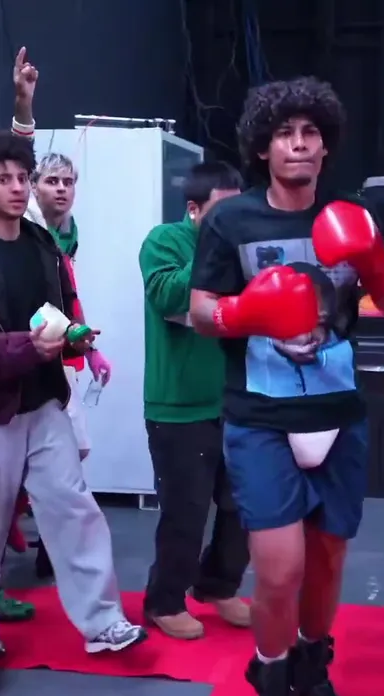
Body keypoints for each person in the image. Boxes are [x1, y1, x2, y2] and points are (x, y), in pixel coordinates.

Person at [187, 77, 384, 696]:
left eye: (310, 132)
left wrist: (375, 264)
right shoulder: (231, 219)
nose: (299, 144)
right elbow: (200, 312)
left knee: (329, 561)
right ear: (263, 147)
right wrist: (250, 311)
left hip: (338, 412)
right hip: (261, 417)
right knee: (280, 569)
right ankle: (272, 676)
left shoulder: (354, 216)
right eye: (285, 133)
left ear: (325, 144)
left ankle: (313, 671)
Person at [0, 130, 146, 658]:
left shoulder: (41, 244)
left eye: (23, 177)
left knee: (75, 508)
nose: (17, 187)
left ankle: (104, 621)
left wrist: (77, 339)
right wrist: (29, 348)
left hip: (45, 401)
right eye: (3, 179)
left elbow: (63, 309)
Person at [9, 48, 112, 583]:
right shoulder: (24, 221)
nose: (62, 189)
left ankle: (50, 545)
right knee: (18, 466)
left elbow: (68, 297)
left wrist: (89, 349)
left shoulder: (66, 235)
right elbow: (20, 155)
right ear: (31, 188)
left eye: (68, 182)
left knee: (72, 454)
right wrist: (25, 105)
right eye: (52, 182)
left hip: (59, 357)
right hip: (17, 356)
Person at [140, 161, 251, 640]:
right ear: (193, 209)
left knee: (244, 505)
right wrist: (213, 249)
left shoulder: (244, 249)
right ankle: (164, 600)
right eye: (222, 212)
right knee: (185, 512)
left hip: (237, 399)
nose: (233, 221)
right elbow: (166, 296)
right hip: (179, 405)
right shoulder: (163, 241)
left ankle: (218, 585)